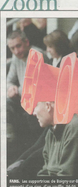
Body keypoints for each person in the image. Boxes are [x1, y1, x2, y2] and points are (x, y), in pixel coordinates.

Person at [6, 30, 50, 165]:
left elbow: (35, 87)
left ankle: (22, 151)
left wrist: (16, 89)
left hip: (40, 101)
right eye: (12, 48)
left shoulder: (37, 55)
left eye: (18, 46)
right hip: (24, 99)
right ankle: (9, 142)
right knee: (5, 103)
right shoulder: (16, 58)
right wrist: (11, 88)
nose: (16, 51)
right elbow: (9, 80)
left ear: (27, 42)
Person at [33, 101, 78, 176]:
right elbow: (45, 171)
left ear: (48, 106)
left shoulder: (74, 127)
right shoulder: (50, 132)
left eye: (36, 106)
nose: (34, 113)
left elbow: (67, 177)